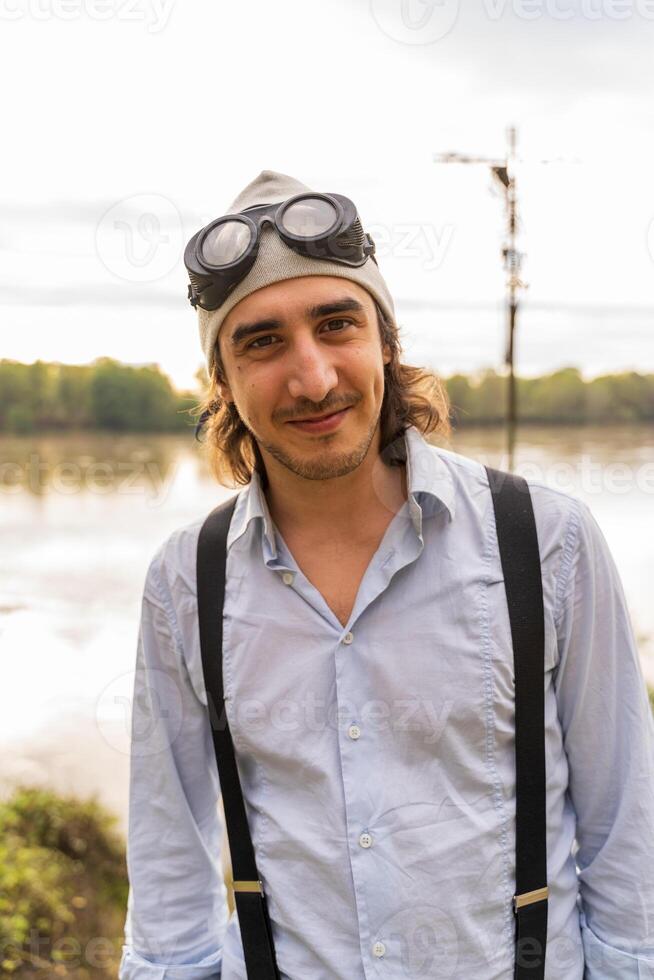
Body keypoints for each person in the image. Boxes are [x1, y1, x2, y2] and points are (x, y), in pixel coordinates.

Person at [119, 170, 654, 979]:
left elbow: (627, 830)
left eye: (337, 324)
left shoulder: (549, 542)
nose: (313, 378)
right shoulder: (187, 581)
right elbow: (168, 874)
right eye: (261, 341)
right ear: (221, 381)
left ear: (386, 341)